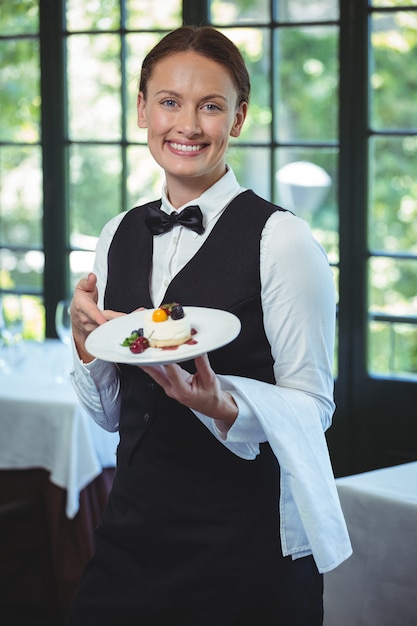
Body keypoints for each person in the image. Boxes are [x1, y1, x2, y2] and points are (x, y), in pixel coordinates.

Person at [65, 25, 352, 626]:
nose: (188, 126)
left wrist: (224, 404)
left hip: (244, 548)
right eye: (169, 101)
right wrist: (87, 346)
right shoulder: (117, 234)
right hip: (132, 534)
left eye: (211, 106)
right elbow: (113, 415)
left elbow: (315, 407)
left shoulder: (285, 240)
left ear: (238, 118)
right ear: (142, 108)